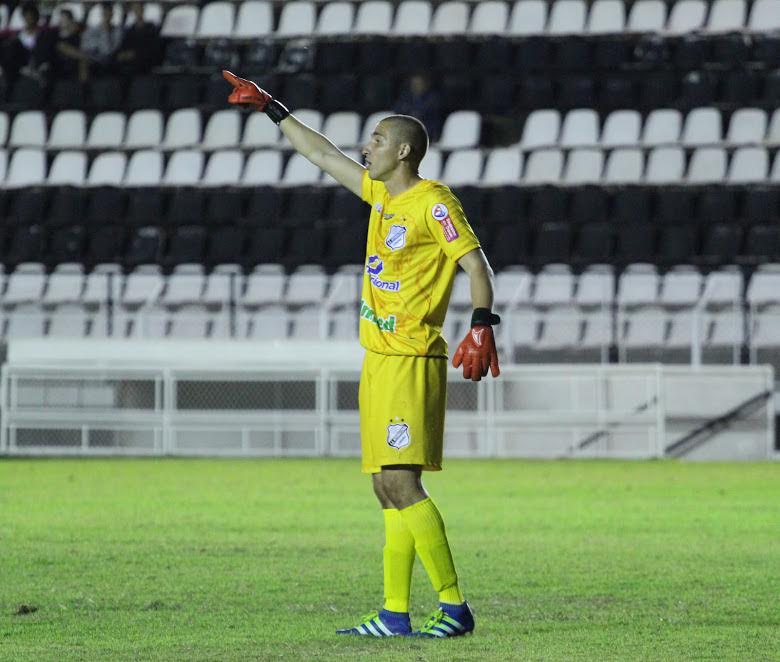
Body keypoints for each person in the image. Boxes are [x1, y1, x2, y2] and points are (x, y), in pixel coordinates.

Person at [223, 70, 501, 639]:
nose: (365, 147)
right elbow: (321, 153)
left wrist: (482, 325)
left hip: (411, 357)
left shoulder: (434, 203)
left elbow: (476, 266)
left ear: (402, 150)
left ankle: (453, 607)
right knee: (384, 486)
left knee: (402, 484)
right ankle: (395, 614)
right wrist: (273, 107)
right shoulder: (379, 195)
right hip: (378, 357)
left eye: (376, 139)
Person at [114, 1, 162, 75]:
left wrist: (135, 54)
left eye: (139, 8)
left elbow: (153, 48)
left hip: (146, 62)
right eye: (135, 8)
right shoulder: (131, 30)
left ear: (143, 9)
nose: (137, 11)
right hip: (130, 62)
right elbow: (124, 46)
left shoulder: (151, 28)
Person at [393, 73, 443, 142]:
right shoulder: (406, 96)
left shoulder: (432, 97)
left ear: (425, 85)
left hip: (427, 130)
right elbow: (397, 109)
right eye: (414, 84)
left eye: (419, 84)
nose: (416, 86)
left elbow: (427, 111)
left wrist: (413, 112)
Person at [80, 1, 122, 75]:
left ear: (112, 14)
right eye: (104, 13)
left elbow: (107, 51)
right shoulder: (93, 29)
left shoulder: (117, 31)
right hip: (92, 59)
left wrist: (105, 32)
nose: (106, 16)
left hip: (109, 61)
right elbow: (85, 45)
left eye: (108, 13)